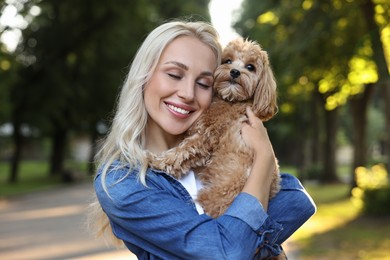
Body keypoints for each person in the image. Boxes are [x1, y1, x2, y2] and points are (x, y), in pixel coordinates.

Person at [88, 19, 316, 259]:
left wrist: (238, 236)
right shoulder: (122, 182)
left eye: (203, 83)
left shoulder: (219, 145)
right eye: (175, 74)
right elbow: (227, 253)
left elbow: (298, 201)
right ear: (143, 77)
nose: (187, 94)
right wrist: (264, 158)